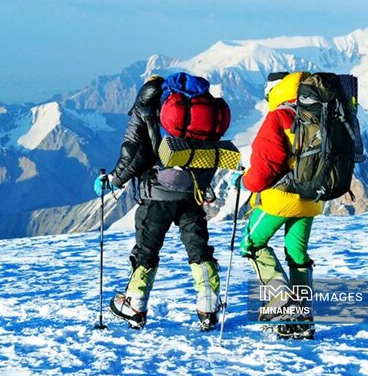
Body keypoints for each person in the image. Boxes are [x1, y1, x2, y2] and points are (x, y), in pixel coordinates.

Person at [95, 74, 221, 331]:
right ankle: (208, 305)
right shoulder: (193, 112)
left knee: (147, 249)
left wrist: (113, 181)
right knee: (198, 247)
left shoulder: (144, 112)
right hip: (192, 192)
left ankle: (134, 305)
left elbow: (133, 154)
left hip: (157, 194)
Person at [233, 71, 321, 340]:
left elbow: (265, 167)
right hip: (311, 200)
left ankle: (280, 298)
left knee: (251, 243)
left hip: (280, 199)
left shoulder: (279, 116)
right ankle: (302, 318)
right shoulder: (322, 114)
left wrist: (245, 181)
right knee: (298, 255)